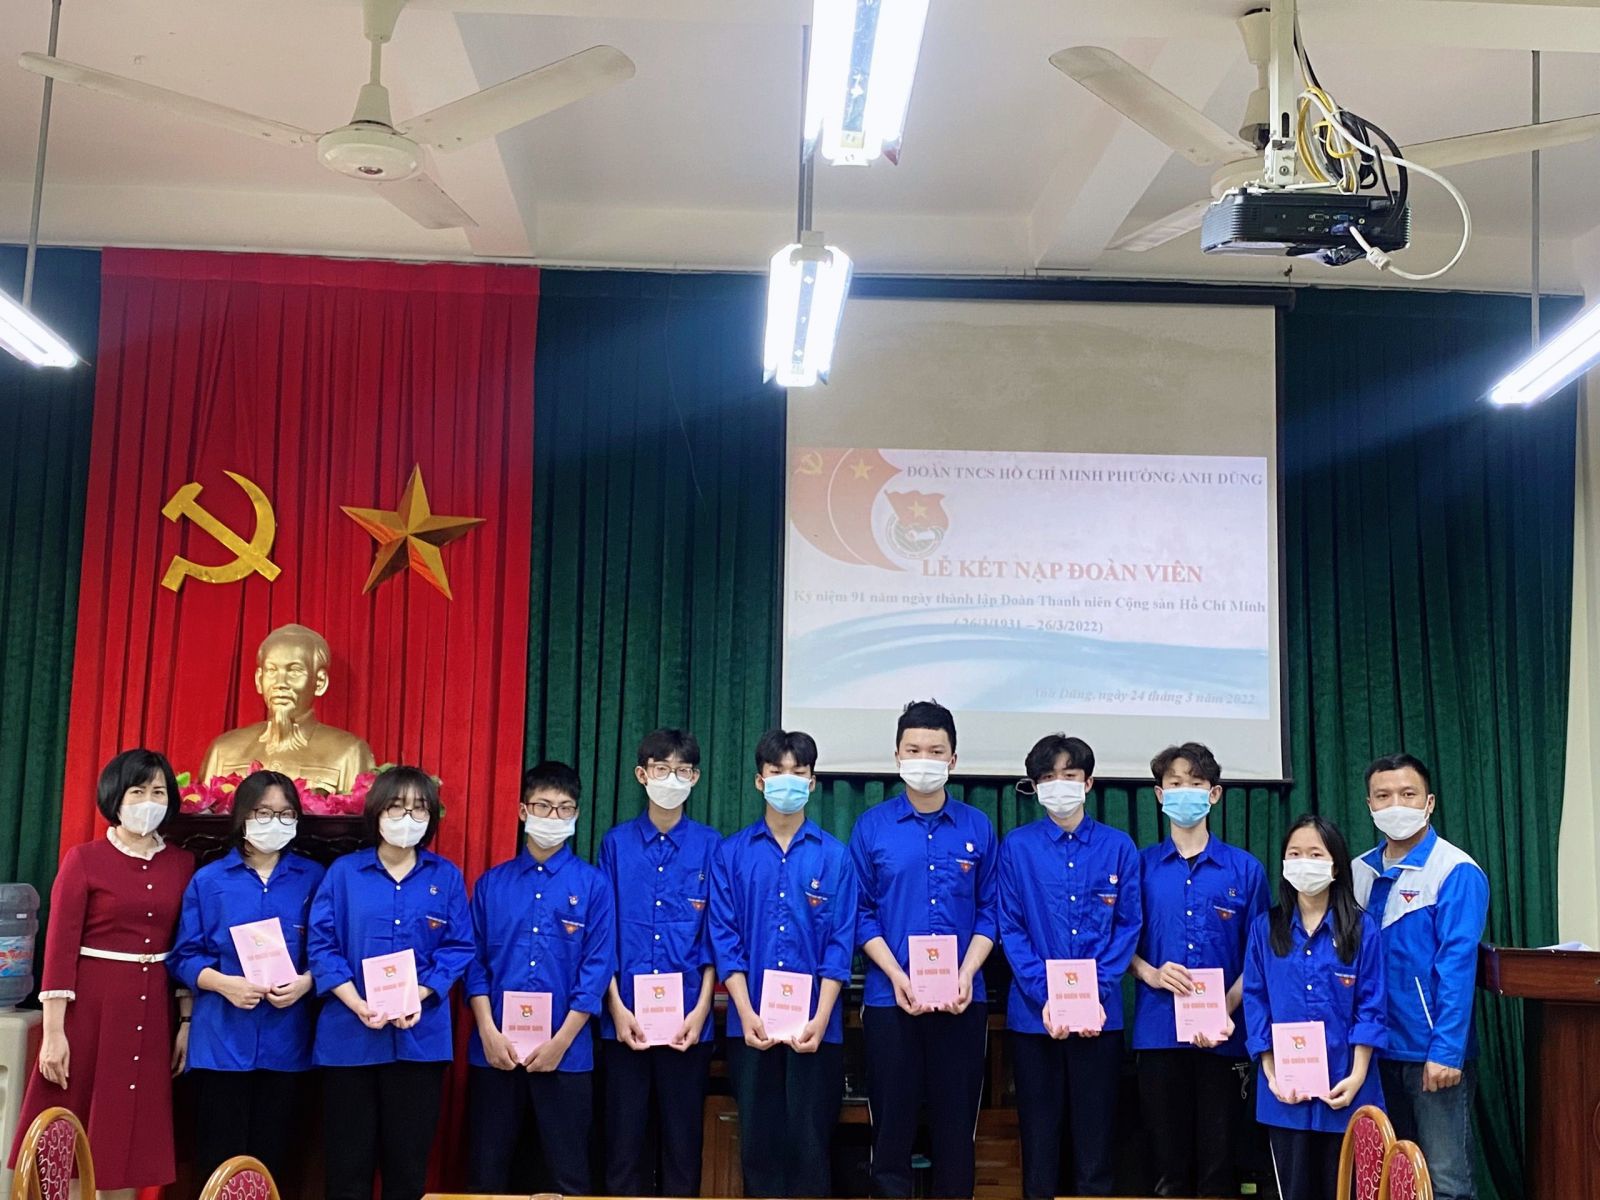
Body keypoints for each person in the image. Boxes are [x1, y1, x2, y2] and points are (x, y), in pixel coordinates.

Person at [7, 749, 195, 1200]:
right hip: (89, 1009)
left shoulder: (182, 864)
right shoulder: (85, 859)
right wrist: (54, 1033)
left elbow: (186, 944)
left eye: (158, 792)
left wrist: (186, 1021)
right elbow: (59, 949)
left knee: (130, 1127)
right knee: (69, 1122)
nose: (148, 801)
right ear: (115, 797)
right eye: (137, 791)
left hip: (153, 1009)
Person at [849, 700, 999, 1199]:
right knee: (891, 1130)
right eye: (913, 750)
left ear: (953, 759)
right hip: (890, 1000)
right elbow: (861, 913)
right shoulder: (871, 827)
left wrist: (966, 972)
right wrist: (897, 975)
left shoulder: (977, 826)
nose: (924, 759)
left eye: (935, 751)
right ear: (897, 756)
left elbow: (990, 910)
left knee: (956, 1130)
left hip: (962, 1000)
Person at [306, 765, 472, 1200]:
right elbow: (321, 945)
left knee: (407, 1170)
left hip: (419, 1039)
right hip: (349, 1039)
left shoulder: (446, 876)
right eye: (397, 807)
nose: (407, 818)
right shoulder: (343, 873)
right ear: (377, 812)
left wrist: (419, 993)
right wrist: (356, 1002)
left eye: (419, 810)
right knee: (347, 1170)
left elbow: (459, 946)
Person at [710, 729, 859, 1198]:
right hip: (750, 1024)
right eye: (777, 772)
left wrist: (820, 1016)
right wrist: (746, 1010)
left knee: (810, 1146)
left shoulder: (835, 856)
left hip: (816, 1029)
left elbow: (840, 944)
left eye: (798, 772)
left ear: (812, 783)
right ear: (760, 781)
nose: (787, 781)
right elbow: (725, 938)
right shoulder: (731, 854)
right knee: (759, 1146)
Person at [999, 734, 1141, 1199]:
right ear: (1035, 787)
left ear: (1088, 783)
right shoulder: (1016, 847)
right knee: (1039, 1143)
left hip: (1099, 1017)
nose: (1059, 784)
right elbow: (1011, 928)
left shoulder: (1119, 847)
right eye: (1048, 777)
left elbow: (1128, 926)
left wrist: (1094, 992)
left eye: (1069, 775)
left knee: (1096, 1144)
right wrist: (1048, 996)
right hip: (1034, 1018)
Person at [466, 761, 616, 1194]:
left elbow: (596, 968)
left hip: (566, 1054)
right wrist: (488, 1032)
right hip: (496, 1053)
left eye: (564, 808)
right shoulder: (491, 884)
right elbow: (473, 963)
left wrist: (560, 1042)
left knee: (568, 1175)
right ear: (522, 811)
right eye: (543, 806)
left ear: (576, 815)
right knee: (489, 1174)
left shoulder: (594, 886)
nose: (554, 817)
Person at [170, 769, 324, 1187]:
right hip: (222, 1039)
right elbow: (184, 955)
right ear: (242, 816)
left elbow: (327, 949)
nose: (275, 822)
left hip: (287, 1040)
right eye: (264, 812)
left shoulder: (313, 878)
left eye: (286, 814)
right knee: (219, 1164)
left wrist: (307, 982)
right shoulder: (209, 880)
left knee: (276, 1163)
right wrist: (224, 984)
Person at [1131, 742, 1269, 1198]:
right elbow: (1117, 942)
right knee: (1166, 1167)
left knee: (1219, 1165)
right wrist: (1150, 973)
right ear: (1159, 795)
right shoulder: (1140, 867)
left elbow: (1260, 954)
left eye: (1195, 783)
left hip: (1225, 1036)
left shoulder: (1245, 870)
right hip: (1157, 1032)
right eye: (1174, 784)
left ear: (1214, 794)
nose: (1184, 791)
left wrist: (1225, 1005)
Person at [1352, 753, 1489, 1200]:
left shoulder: (1456, 870)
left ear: (1429, 803)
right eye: (1383, 796)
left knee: (1445, 1182)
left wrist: (1446, 1051)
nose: (1396, 804)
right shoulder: (1357, 871)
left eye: (1408, 794)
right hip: (1372, 1052)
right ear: (1370, 805)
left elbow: (1458, 967)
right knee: (1384, 1180)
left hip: (1431, 1056)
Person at [597, 729, 721, 1196]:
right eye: (662, 769)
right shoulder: (615, 844)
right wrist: (616, 1007)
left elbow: (716, 936)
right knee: (623, 1147)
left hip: (688, 1023)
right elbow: (602, 935)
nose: (672, 779)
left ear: (695, 778)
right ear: (641, 774)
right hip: (624, 1021)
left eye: (682, 770)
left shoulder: (712, 845)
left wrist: (701, 1011)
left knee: (682, 1149)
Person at [1243, 815, 1386, 1200]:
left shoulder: (1362, 929)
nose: (1304, 862)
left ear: (1336, 865)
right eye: (1294, 854)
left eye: (1315, 854)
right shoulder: (1264, 928)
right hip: (1284, 1098)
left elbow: (1371, 1007)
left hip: (1346, 1091)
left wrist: (1357, 1076)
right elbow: (1256, 1002)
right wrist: (1271, 1073)